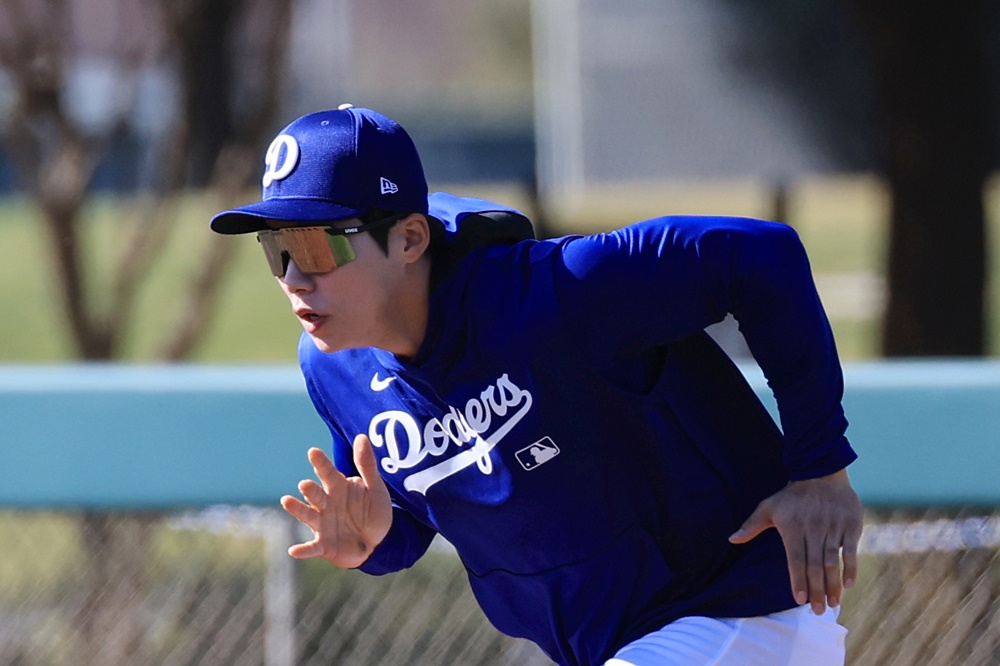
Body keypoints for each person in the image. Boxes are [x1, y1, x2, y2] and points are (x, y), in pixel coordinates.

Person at [210, 104, 863, 666]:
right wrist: (374, 540)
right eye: (278, 250)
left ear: (410, 238)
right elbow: (415, 514)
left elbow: (760, 258)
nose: (296, 277)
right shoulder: (333, 365)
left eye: (320, 247)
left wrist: (820, 469)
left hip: (742, 614)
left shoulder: (553, 297)